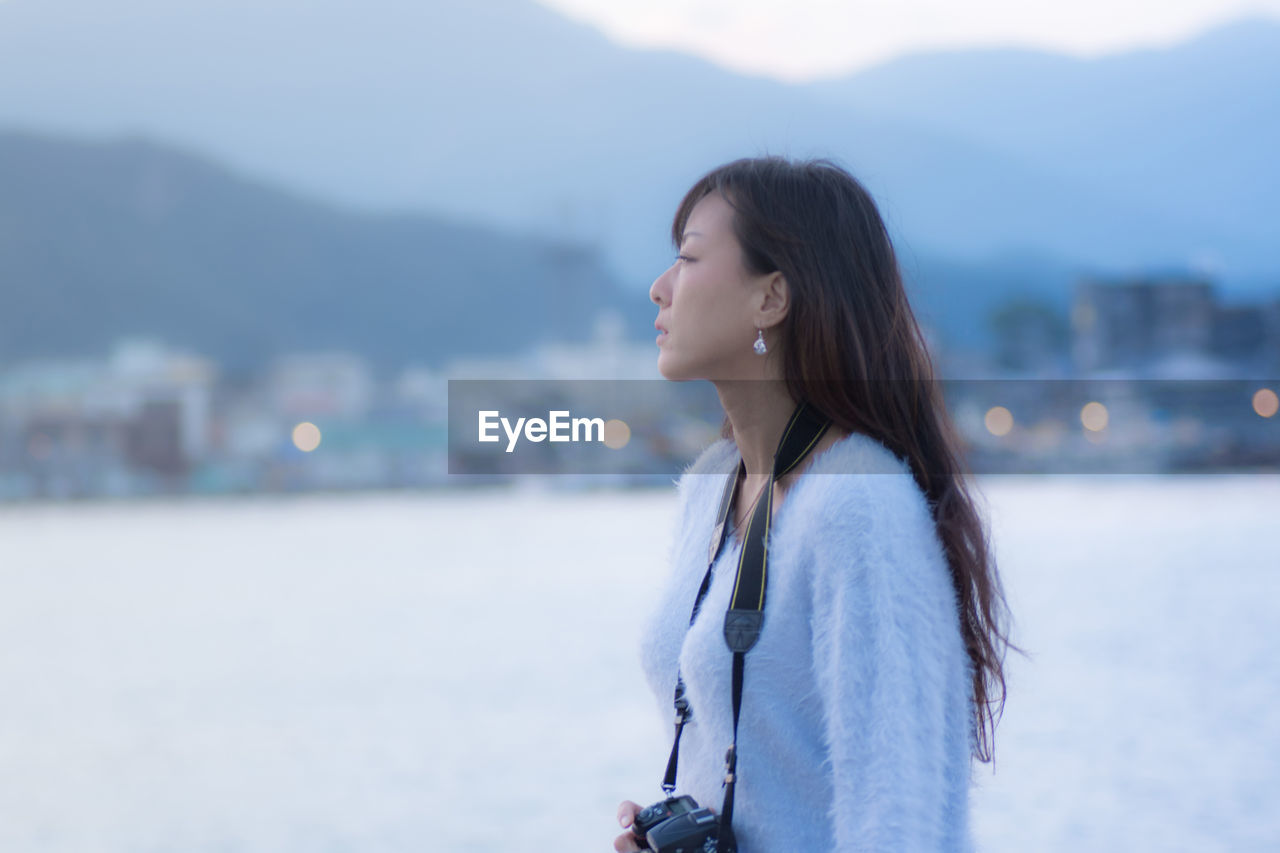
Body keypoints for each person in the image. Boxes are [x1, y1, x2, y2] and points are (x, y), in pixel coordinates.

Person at [614, 156, 1021, 852]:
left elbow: (897, 816)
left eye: (687, 257)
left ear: (772, 298)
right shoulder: (712, 488)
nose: (659, 288)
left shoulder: (857, 505)